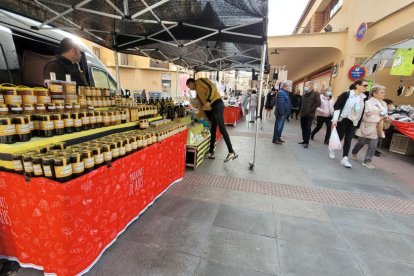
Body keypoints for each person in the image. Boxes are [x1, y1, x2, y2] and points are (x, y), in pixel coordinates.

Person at [186, 78, 238, 162]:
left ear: (192, 82)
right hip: (213, 108)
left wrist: (208, 100)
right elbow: (201, 110)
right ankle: (211, 153)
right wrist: (195, 120)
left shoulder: (199, 81)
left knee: (222, 128)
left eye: (189, 86)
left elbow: (211, 87)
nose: (190, 88)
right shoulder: (198, 95)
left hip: (217, 103)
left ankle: (231, 152)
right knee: (212, 130)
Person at [330, 79, 368, 168]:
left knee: (348, 140)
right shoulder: (346, 95)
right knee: (339, 137)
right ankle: (332, 149)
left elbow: (360, 111)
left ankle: (345, 158)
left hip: (354, 122)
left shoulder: (362, 98)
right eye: (364, 85)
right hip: (343, 119)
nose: (366, 87)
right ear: (357, 86)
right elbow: (337, 107)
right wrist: (335, 120)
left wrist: (358, 122)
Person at [351, 85, 388, 169]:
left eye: (384, 92)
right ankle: (354, 151)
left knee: (373, 145)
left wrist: (386, 117)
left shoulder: (384, 103)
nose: (384, 94)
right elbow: (365, 117)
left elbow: (385, 113)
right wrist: (379, 118)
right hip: (367, 126)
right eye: (382, 92)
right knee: (361, 143)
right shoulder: (367, 103)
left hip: (377, 127)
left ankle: (367, 161)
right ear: (374, 93)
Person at [299, 81, 321, 148]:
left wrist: (310, 110)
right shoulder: (304, 93)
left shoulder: (316, 94)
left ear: (311, 86)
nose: (305, 87)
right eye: (305, 85)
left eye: (306, 85)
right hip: (303, 113)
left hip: (309, 115)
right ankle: (304, 140)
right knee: (303, 127)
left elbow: (318, 103)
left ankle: (306, 142)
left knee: (308, 128)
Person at [272, 80, 292, 144]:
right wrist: (283, 114)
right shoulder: (281, 92)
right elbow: (281, 104)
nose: (290, 87)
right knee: (278, 126)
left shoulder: (285, 92)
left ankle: (278, 138)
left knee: (280, 127)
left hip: (283, 113)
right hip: (281, 114)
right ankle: (275, 139)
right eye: (290, 86)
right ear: (286, 86)